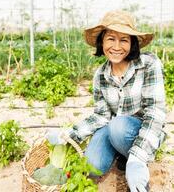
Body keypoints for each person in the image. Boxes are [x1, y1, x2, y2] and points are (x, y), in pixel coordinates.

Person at [46, 10, 167, 192]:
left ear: (132, 43)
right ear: (101, 41)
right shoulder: (100, 76)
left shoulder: (148, 64)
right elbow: (101, 116)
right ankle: (122, 154)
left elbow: (155, 113)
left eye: (124, 40)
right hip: (112, 128)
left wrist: (137, 159)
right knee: (92, 165)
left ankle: (133, 159)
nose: (117, 46)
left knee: (118, 126)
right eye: (111, 39)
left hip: (140, 130)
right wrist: (70, 134)